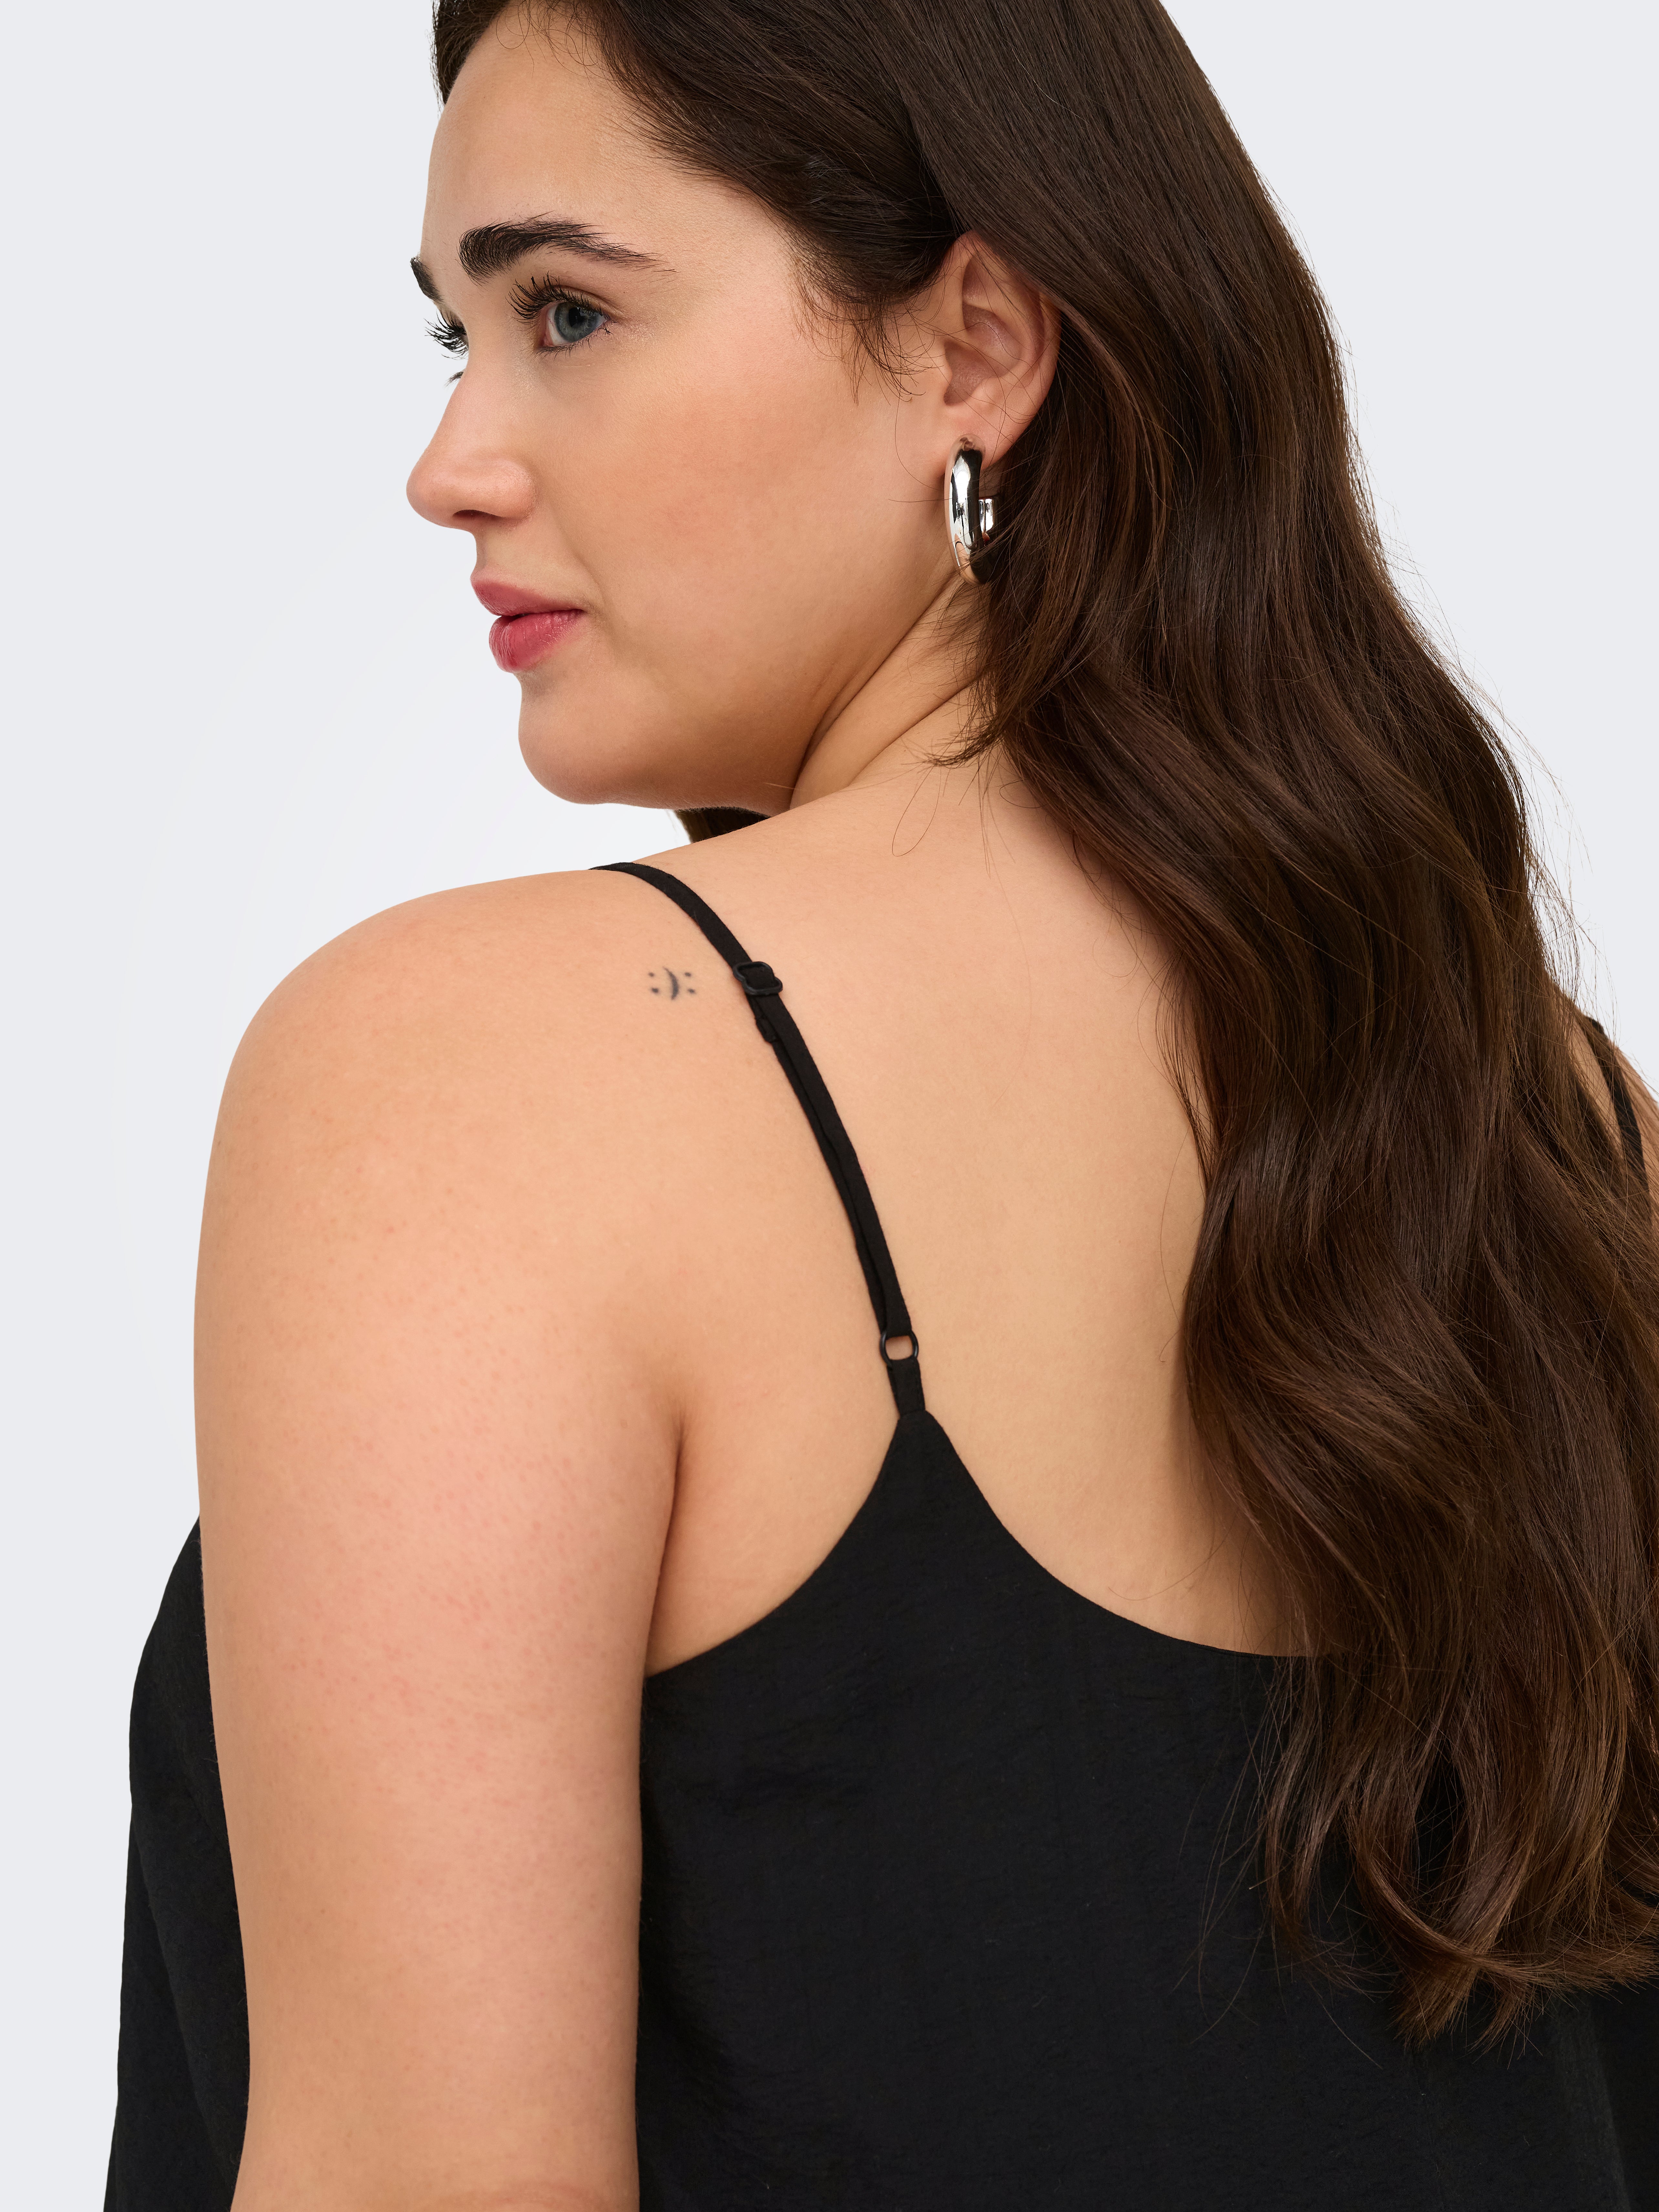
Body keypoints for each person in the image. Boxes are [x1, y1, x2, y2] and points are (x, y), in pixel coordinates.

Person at [106, 3, 1659, 2207]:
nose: (450, 461)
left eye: (566, 315)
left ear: (974, 347)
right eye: (456, 335)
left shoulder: (482, 1070)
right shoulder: (1552, 1124)